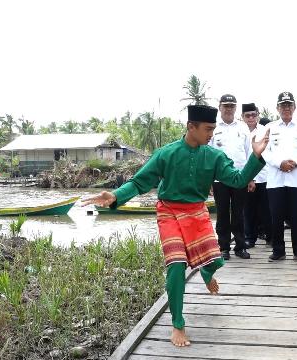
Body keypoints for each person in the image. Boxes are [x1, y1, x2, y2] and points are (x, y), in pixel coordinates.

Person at [82, 105, 269, 348]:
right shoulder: (165, 154)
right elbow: (140, 182)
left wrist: (255, 157)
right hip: (169, 212)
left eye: (213, 129)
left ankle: (205, 271)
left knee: (216, 260)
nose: (211, 134)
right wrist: (117, 196)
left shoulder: (213, 156)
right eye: (208, 129)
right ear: (191, 126)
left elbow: (237, 180)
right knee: (176, 264)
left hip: (197, 212)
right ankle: (178, 324)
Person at [263, 91, 297, 262]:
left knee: (296, 216)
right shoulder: (269, 127)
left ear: (294, 107)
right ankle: (278, 250)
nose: (286, 108)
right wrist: (280, 163)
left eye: (289, 105)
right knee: (276, 216)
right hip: (276, 180)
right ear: (277, 108)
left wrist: (295, 163)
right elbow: (265, 152)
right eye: (283, 105)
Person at [209, 94, 252, 260]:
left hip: (240, 177)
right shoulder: (213, 127)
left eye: (231, 106)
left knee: (239, 213)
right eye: (225, 106)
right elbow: (208, 155)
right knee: (222, 214)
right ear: (220, 107)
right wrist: (209, 181)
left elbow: (249, 154)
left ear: (235, 108)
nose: (228, 109)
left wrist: (250, 177)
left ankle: (240, 246)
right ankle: (223, 247)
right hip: (220, 178)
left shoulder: (243, 128)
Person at [241, 103, 272, 248]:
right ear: (243, 117)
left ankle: (270, 237)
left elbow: (269, 151)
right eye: (247, 115)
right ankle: (249, 238)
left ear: (258, 115)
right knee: (248, 209)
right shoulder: (239, 130)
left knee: (267, 209)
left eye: (254, 115)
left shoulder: (265, 130)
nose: (251, 118)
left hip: (264, 175)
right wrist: (249, 177)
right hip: (246, 176)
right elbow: (243, 155)